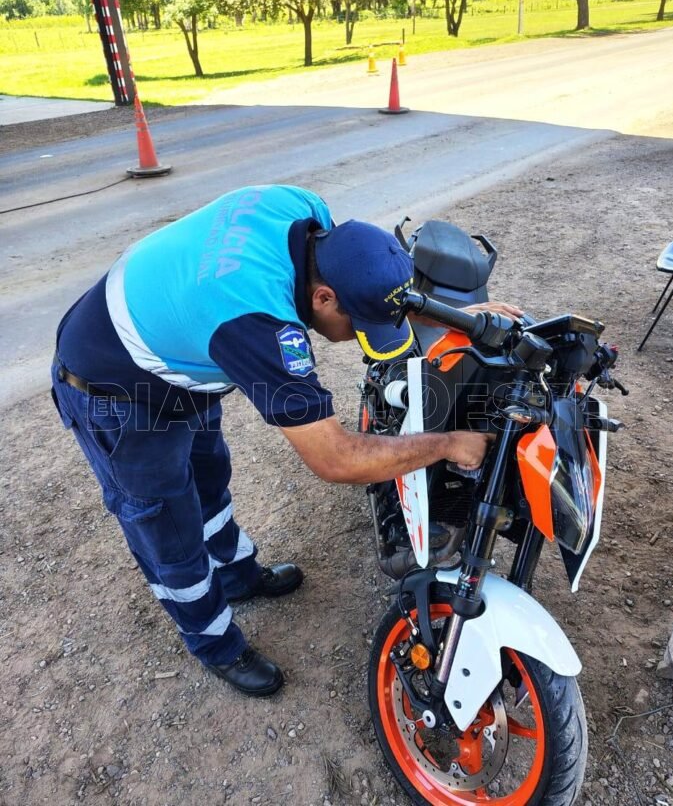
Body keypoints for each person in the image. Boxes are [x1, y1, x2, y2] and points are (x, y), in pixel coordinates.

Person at [51, 184, 521, 698]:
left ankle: (235, 576)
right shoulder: (258, 325)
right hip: (117, 390)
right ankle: (215, 644)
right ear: (323, 298)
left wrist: (454, 316)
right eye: (357, 325)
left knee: (208, 479)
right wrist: (449, 444)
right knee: (168, 527)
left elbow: (365, 278)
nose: (356, 335)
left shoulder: (305, 213)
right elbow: (335, 458)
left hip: (176, 347)